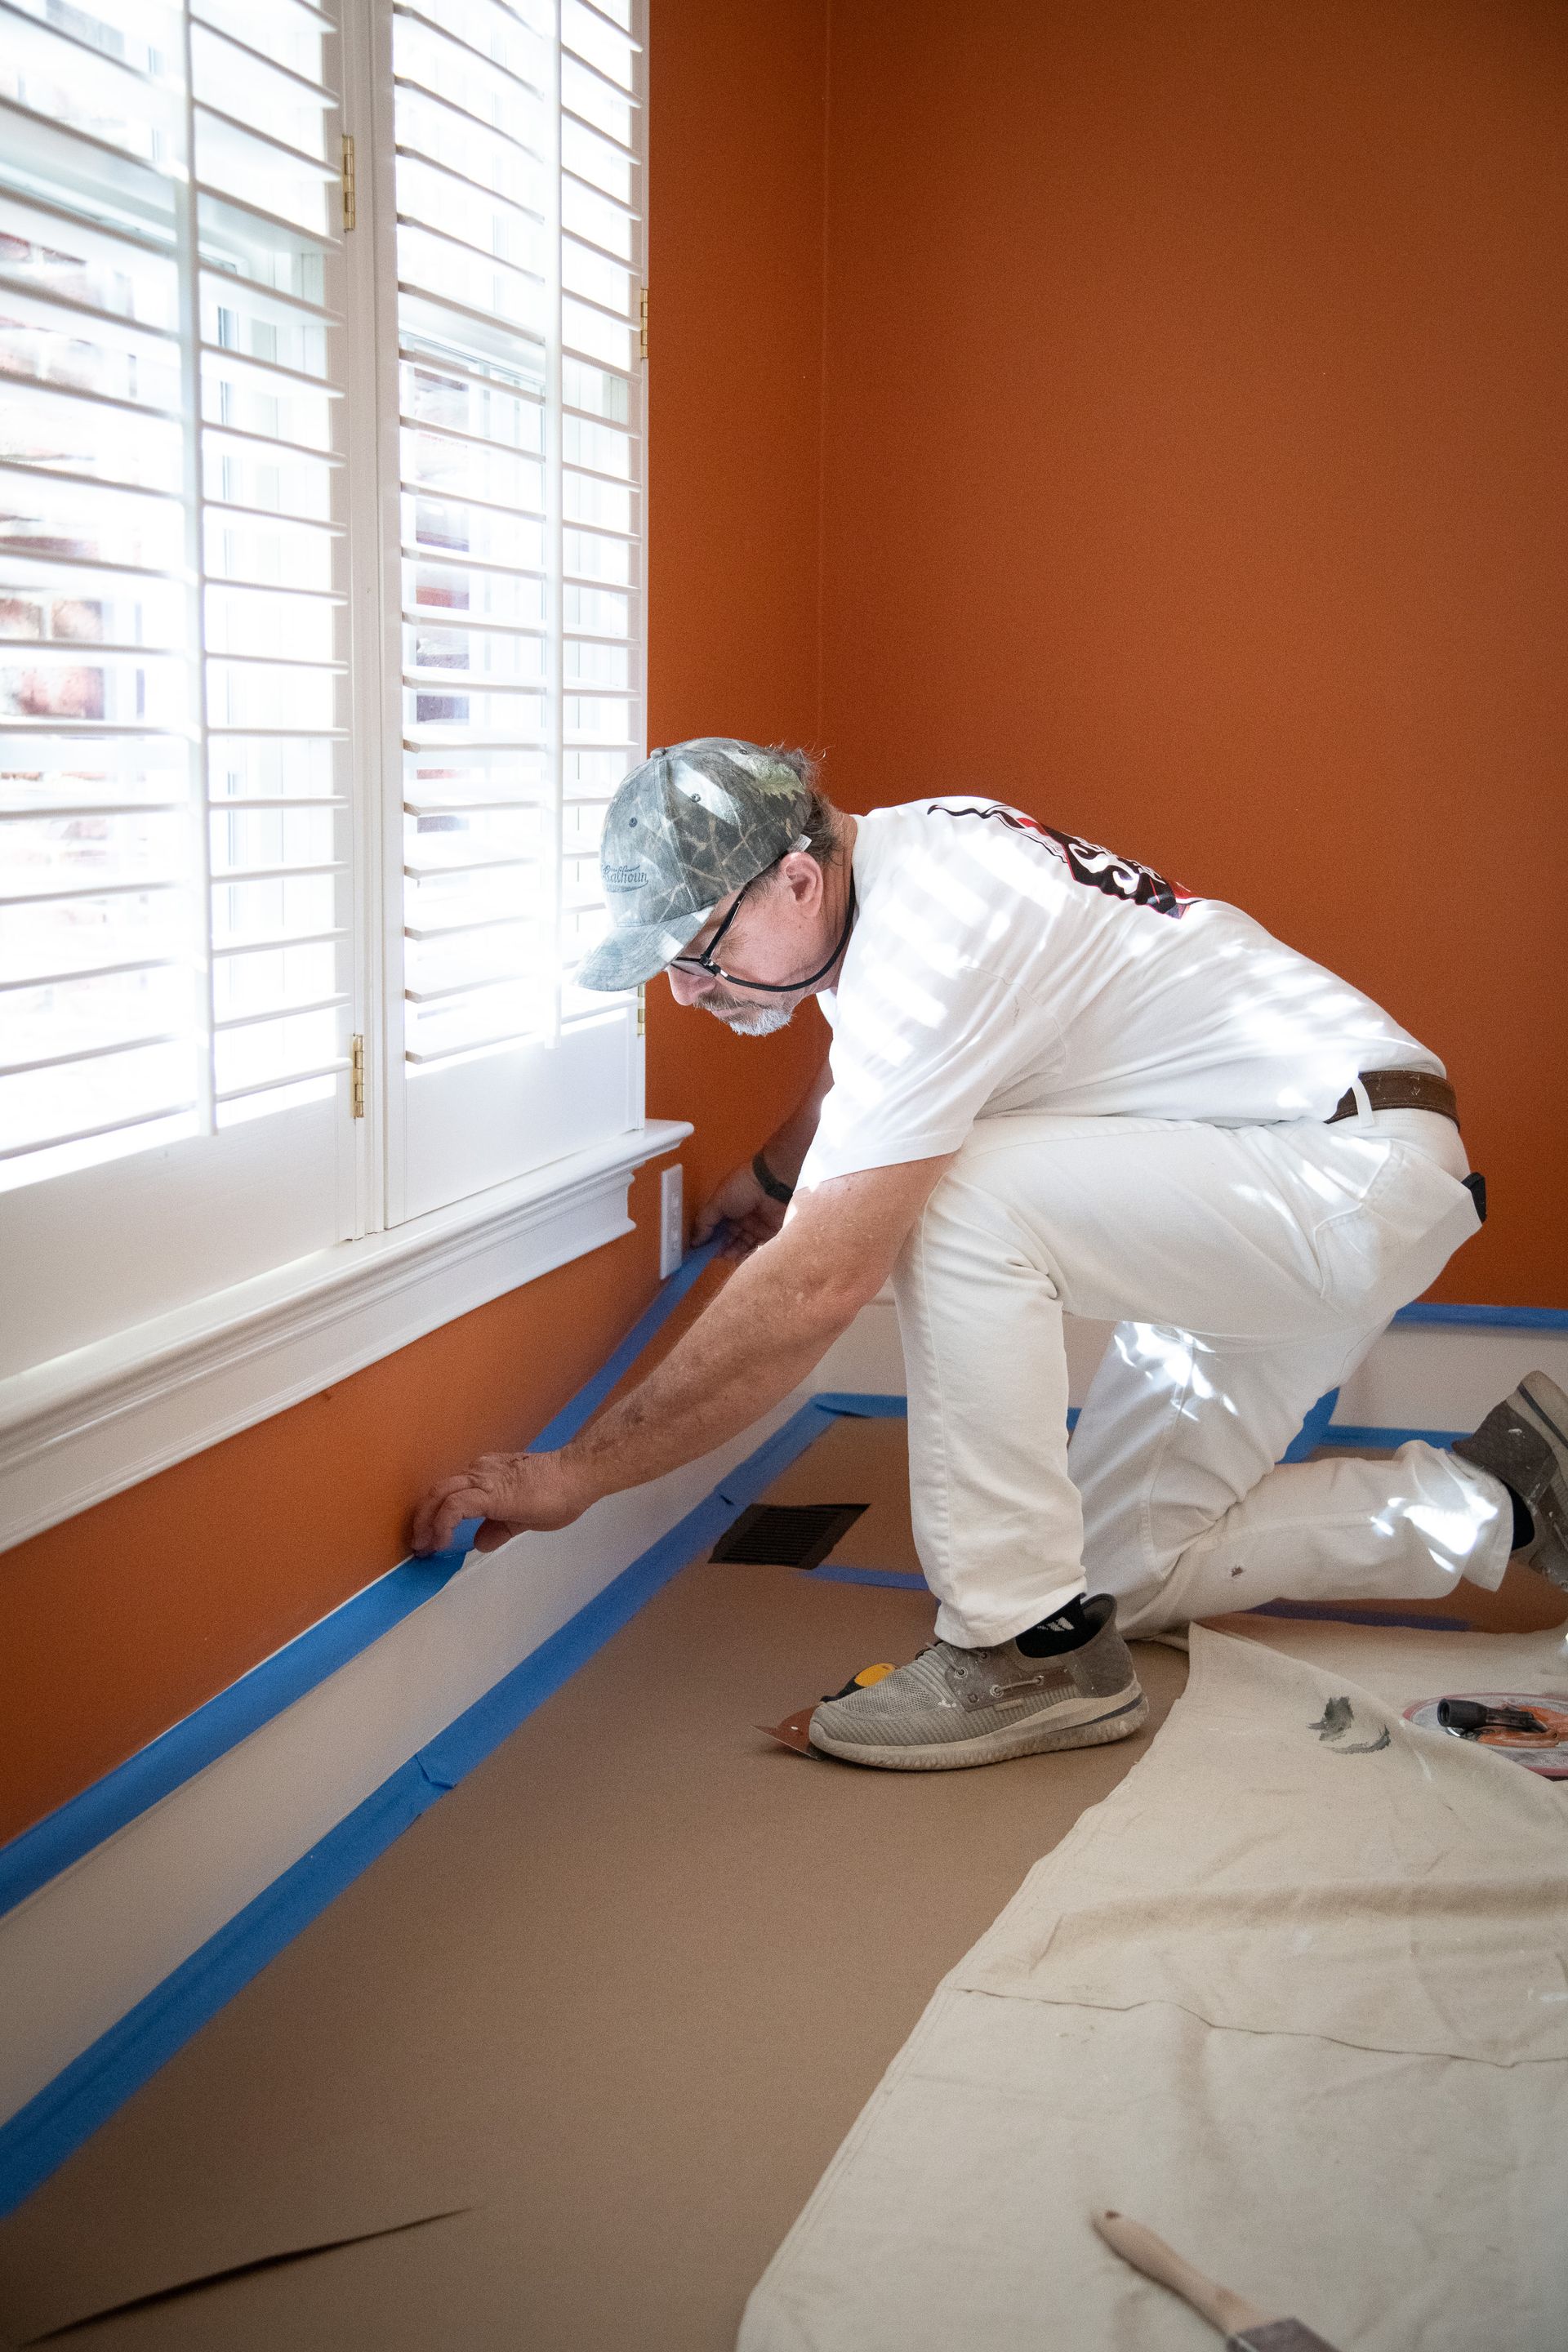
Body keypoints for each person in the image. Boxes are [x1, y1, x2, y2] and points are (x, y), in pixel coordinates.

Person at [412, 737, 1568, 1771]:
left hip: (1331, 1178)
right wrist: (773, 1177)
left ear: (796, 880)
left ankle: (1016, 1653)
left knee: (952, 1197)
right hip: (1259, 1182)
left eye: (700, 952)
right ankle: (1507, 1498)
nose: (688, 989)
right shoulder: (896, 862)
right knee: (1118, 1576)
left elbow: (821, 1284)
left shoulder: (936, 935)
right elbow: (876, 1062)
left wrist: (573, 1474)